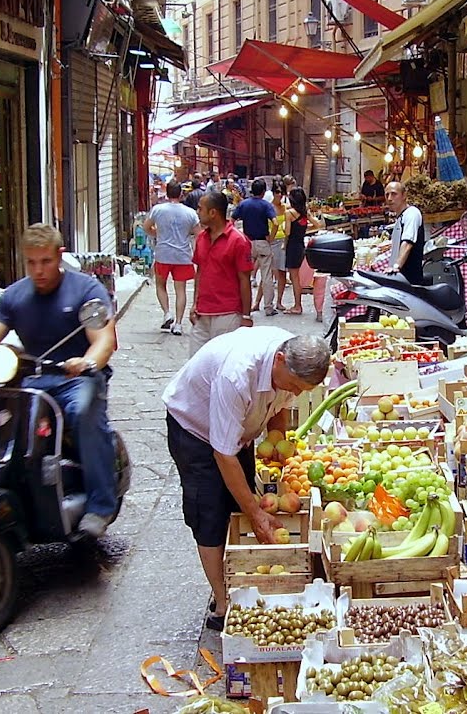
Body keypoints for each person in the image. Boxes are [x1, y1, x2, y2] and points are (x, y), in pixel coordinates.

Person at [0, 224, 119, 538]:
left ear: (59, 256)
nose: (39, 270)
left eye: (46, 261)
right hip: (32, 379)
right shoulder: (15, 296)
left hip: (77, 378)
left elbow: (104, 340)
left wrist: (88, 361)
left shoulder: (86, 290)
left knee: (83, 412)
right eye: (32, 263)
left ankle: (99, 506)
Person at [162, 329, 331, 629]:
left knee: (238, 502)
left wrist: (276, 440)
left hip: (237, 433)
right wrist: (256, 514)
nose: (296, 393)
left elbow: (278, 407)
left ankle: (240, 575)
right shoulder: (237, 376)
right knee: (210, 511)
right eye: (294, 385)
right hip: (195, 431)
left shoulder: (291, 357)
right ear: (280, 360)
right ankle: (222, 603)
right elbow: (223, 454)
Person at [190, 191, 255, 355]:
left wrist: (246, 316)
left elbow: (244, 279)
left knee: (222, 364)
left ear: (213, 213)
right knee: (195, 365)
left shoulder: (238, 241)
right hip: (202, 312)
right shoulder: (201, 238)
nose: (197, 212)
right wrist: (194, 304)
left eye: (200, 209)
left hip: (227, 313)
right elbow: (200, 272)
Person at [144, 179, 200, 335]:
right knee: (180, 289)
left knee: (161, 285)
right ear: (181, 194)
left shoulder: (158, 210)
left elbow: (146, 227)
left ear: (167, 193)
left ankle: (167, 313)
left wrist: (157, 234)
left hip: (163, 254)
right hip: (182, 255)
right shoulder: (190, 213)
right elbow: (199, 234)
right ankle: (179, 324)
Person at [233, 179, 278, 316]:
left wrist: (237, 235)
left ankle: (243, 305)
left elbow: (232, 219)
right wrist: (271, 237)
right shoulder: (266, 205)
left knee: (244, 275)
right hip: (262, 242)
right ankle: (268, 307)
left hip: (247, 242)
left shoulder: (244, 204)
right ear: (264, 192)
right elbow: (275, 222)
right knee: (266, 276)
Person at [283, 187, 323, 315]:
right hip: (301, 246)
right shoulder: (305, 213)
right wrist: (304, 229)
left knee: (294, 277)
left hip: (292, 247)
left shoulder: (289, 213)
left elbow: (288, 232)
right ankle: (297, 304)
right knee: (296, 276)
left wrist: (284, 240)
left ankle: (297, 306)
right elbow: (318, 225)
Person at [384, 181, 425, 285]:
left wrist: (396, 266)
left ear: (404, 195)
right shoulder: (401, 217)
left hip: (409, 281)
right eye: (387, 194)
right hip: (398, 278)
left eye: (394, 194)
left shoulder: (412, 213)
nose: (389, 198)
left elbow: (407, 243)